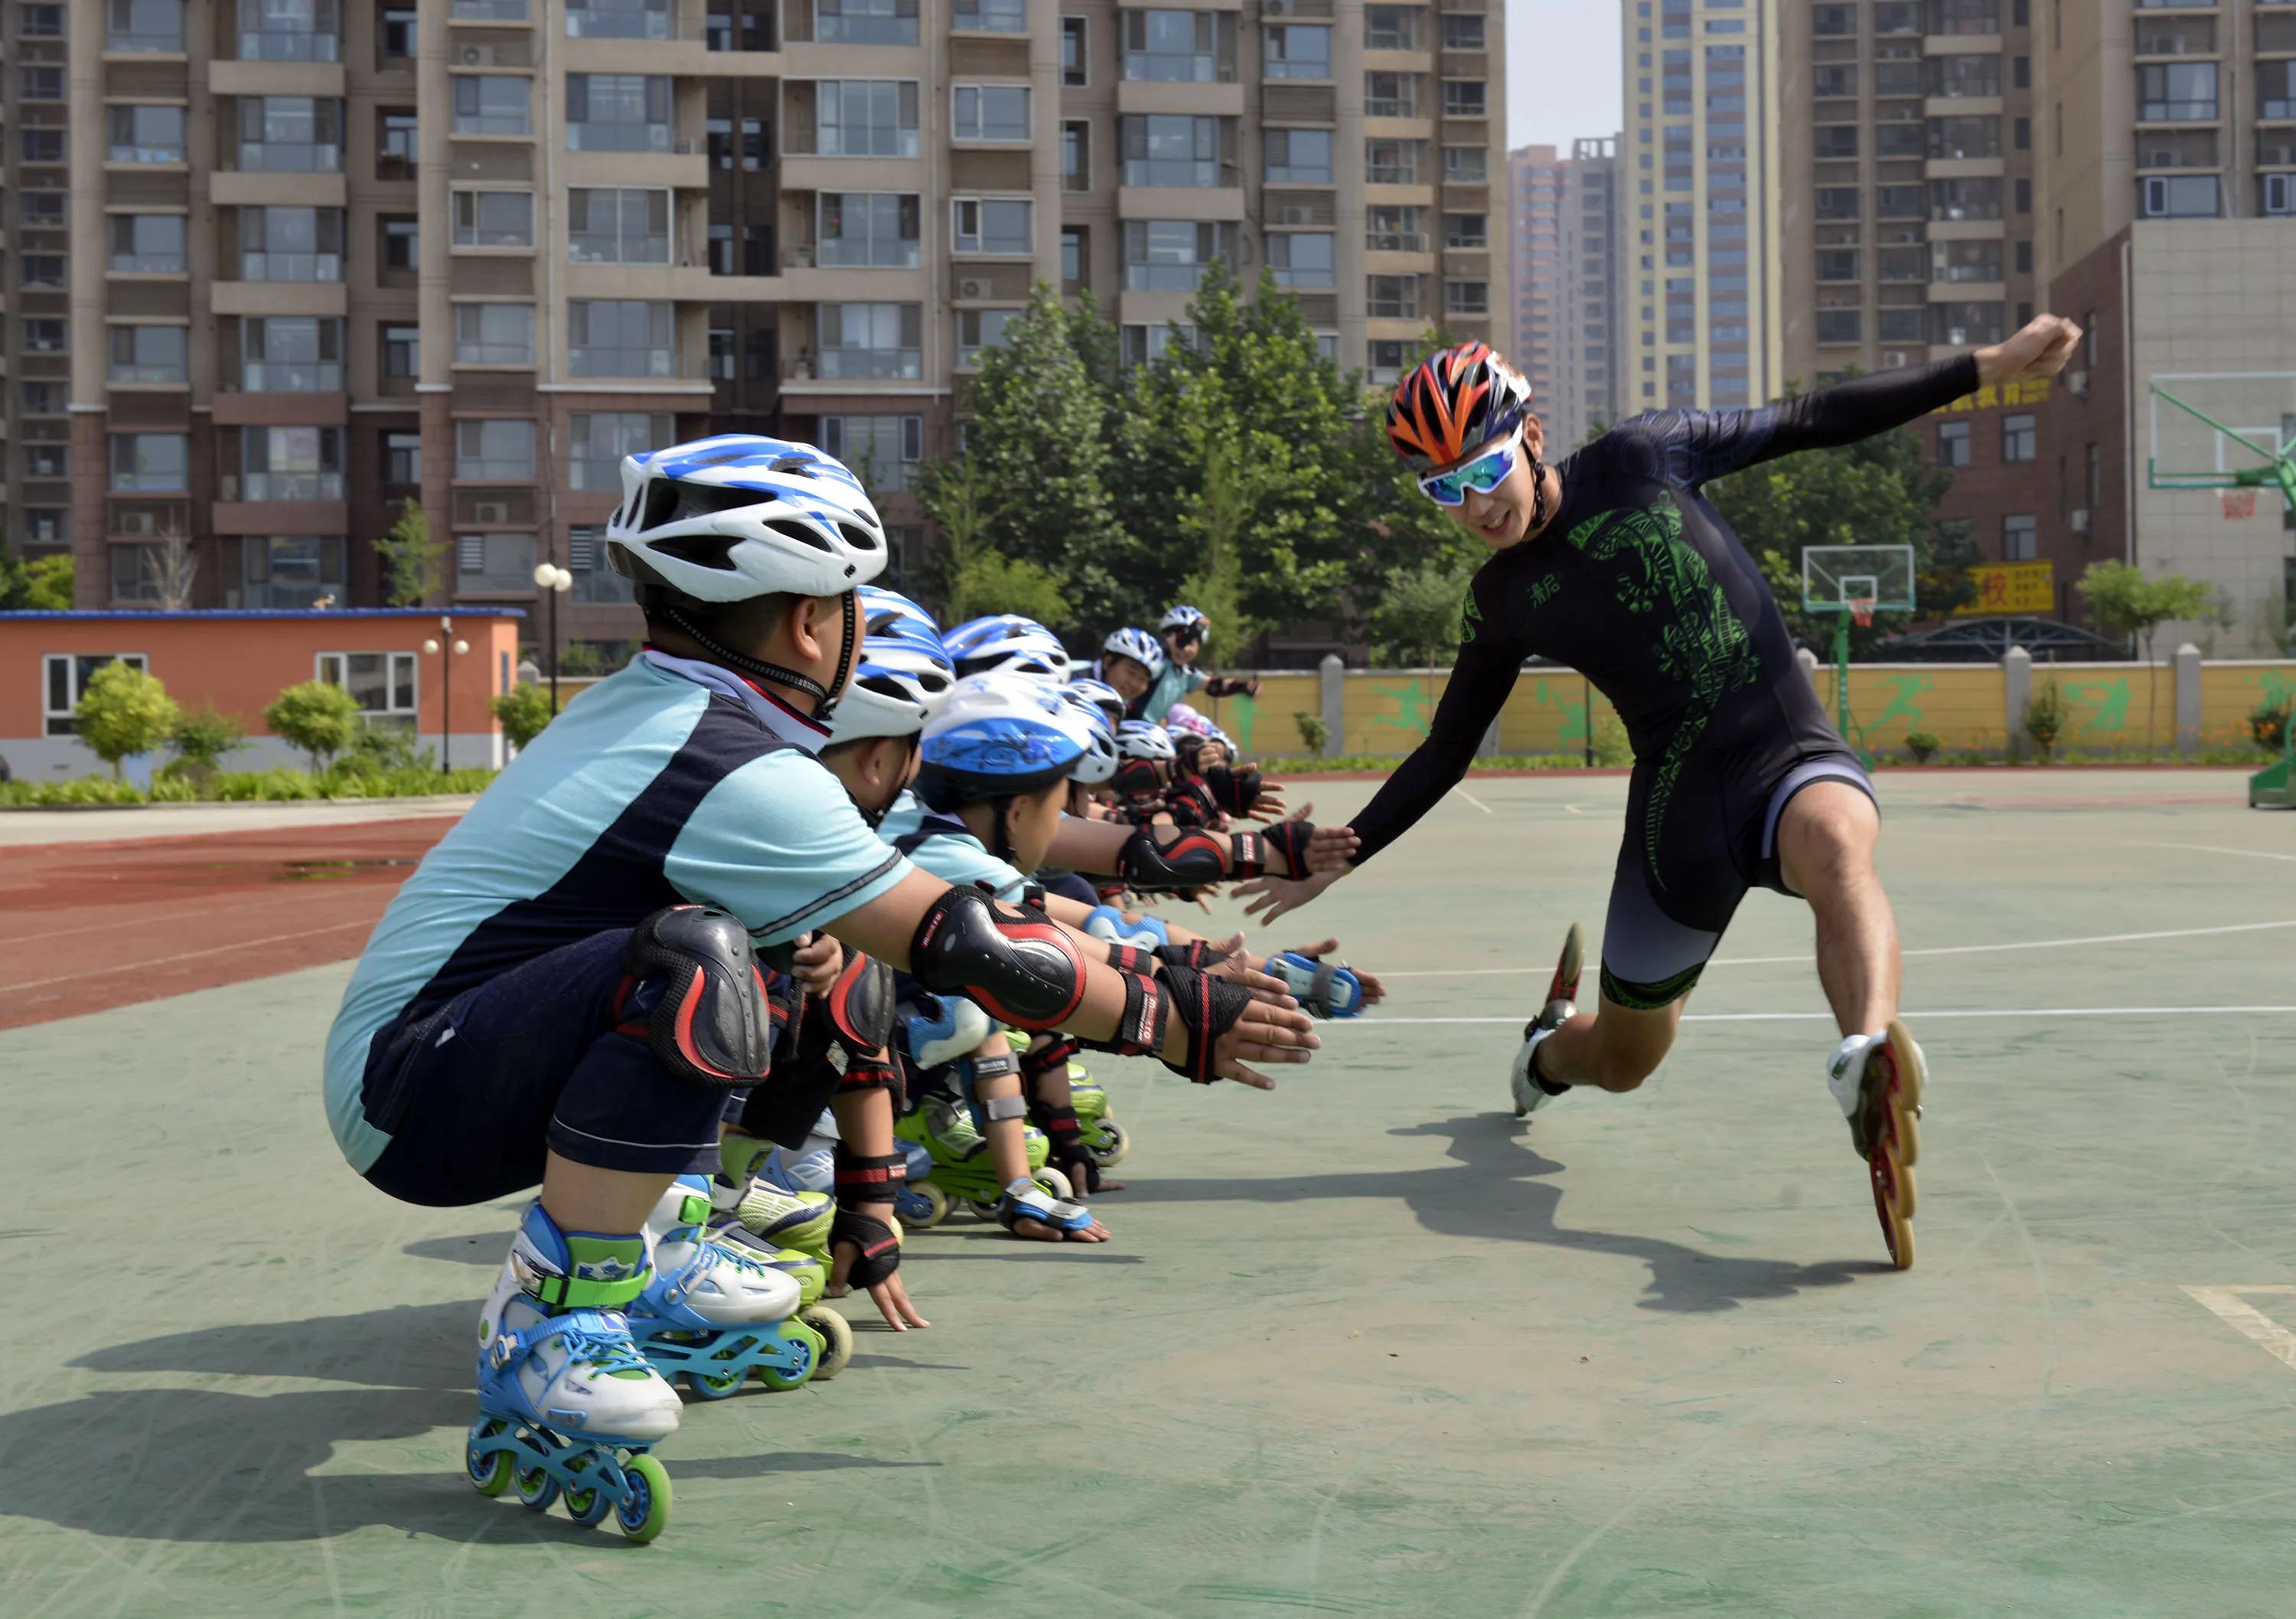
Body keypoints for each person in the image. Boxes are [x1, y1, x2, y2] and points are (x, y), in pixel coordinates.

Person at [323, 433, 1320, 1533]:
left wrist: (1160, 974)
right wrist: (1164, 1018)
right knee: (695, 959)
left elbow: (942, 925)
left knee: (806, 962)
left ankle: (651, 1242)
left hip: (463, 1056)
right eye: (853, 602)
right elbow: (958, 940)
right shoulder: (728, 762)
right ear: (811, 620)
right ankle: (549, 1319)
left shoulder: (681, 718)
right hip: (409, 1093)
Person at [1238, 318, 2086, 1271]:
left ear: (1530, 436)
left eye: (1482, 472)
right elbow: (1447, 750)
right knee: (1625, 1063)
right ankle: (1548, 1052)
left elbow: (1813, 418)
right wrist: (1342, 853)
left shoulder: (1646, 457)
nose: (1474, 506)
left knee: (1836, 842)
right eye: (1443, 490)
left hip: (1781, 749)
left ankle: (1865, 1056)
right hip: (1678, 811)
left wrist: (1989, 368)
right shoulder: (1502, 600)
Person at [1141, 605, 1261, 724]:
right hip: (1131, 724)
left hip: (1151, 733)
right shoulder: (1155, 661)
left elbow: (1214, 685)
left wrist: (1241, 687)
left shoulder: (1186, 674)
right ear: (1166, 638)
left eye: (1192, 643)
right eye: (1182, 641)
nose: (1185, 649)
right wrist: (1194, 629)